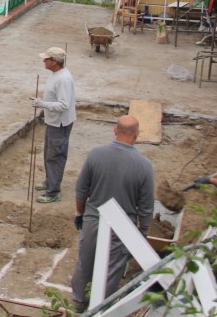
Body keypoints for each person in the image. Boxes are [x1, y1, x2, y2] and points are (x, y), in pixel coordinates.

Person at [70, 115, 155, 313]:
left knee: (85, 260)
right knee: (113, 268)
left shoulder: (95, 155)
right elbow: (146, 205)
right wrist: (143, 229)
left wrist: (79, 214)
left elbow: (81, 190)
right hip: (122, 227)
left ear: (115, 130)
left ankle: (78, 301)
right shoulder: (144, 165)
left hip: (93, 220)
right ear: (137, 135)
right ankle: (102, 308)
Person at [32, 47, 76, 203]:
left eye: (47, 59)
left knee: (55, 156)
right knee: (48, 153)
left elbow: (64, 105)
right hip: (53, 121)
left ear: (55, 62)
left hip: (60, 123)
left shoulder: (63, 79)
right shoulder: (55, 74)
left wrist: (43, 104)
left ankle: (53, 191)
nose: (44, 61)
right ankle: (50, 181)